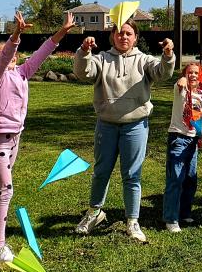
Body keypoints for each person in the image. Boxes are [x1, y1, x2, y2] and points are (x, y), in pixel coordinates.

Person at [0, 11, 76, 262]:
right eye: (4, 55)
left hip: (15, 139)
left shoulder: (22, 73)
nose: (11, 56)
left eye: (14, 55)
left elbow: (43, 51)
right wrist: (16, 34)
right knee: (6, 189)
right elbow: (6, 54)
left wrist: (62, 31)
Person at [73, 18, 175, 243]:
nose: (124, 37)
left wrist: (168, 56)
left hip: (136, 126)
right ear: (112, 37)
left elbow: (162, 73)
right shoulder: (102, 59)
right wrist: (84, 52)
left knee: (132, 175)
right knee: (101, 171)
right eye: (119, 33)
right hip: (106, 125)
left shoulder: (144, 60)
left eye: (128, 33)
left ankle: (132, 221)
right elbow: (84, 73)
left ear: (136, 37)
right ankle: (94, 212)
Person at [162, 63, 202, 232]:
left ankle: (184, 212)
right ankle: (171, 218)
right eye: (189, 73)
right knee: (175, 178)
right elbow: (180, 82)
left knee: (190, 178)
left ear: (201, 76)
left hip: (193, 141)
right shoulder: (180, 90)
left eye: (196, 73)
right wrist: (182, 78)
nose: (193, 76)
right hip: (178, 138)